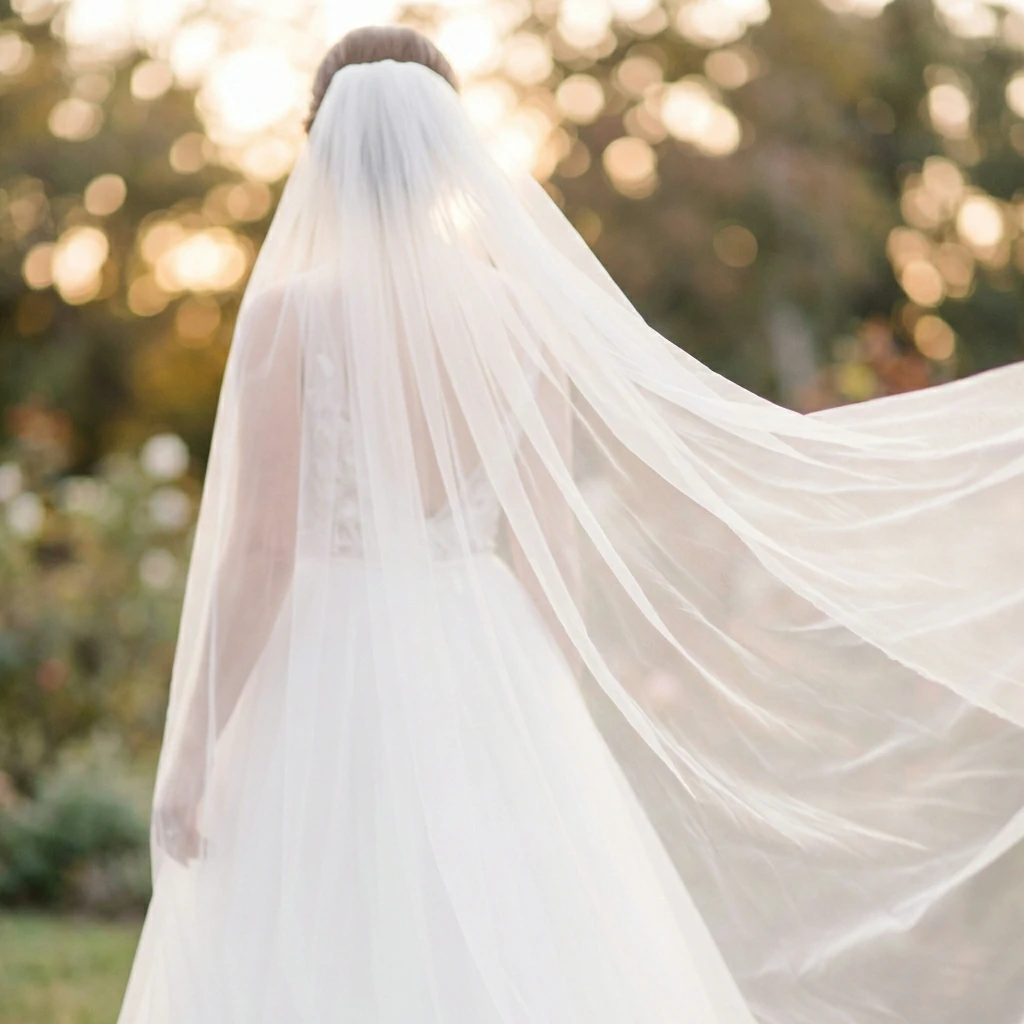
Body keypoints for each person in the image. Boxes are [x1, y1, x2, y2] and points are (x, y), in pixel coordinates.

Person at [118, 25, 1024, 1024]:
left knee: (324, 901)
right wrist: (543, 723)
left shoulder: (290, 319)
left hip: (327, 659)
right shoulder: (518, 321)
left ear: (317, 152)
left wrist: (199, 747)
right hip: (481, 644)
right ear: (445, 158)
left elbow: (261, 547)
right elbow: (543, 546)